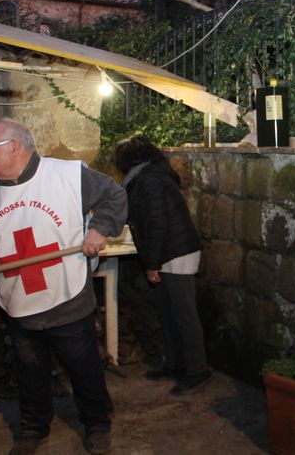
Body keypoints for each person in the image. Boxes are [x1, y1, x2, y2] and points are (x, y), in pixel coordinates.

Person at [0, 118, 127, 455]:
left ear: (15, 147)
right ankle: (33, 428)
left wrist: (100, 228)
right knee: (30, 372)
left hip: (66, 297)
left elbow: (114, 195)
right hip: (18, 304)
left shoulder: (67, 176)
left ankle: (97, 423)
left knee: (84, 369)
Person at [114, 134, 211, 395]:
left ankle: (197, 369)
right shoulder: (149, 175)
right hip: (170, 251)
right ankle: (176, 364)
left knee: (183, 314)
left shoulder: (150, 180)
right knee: (168, 314)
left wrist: (151, 263)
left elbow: (157, 223)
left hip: (176, 253)